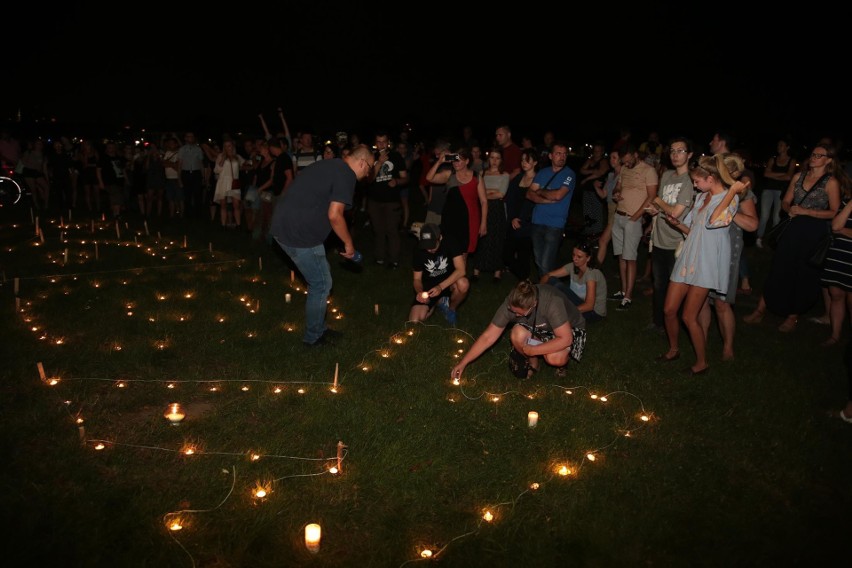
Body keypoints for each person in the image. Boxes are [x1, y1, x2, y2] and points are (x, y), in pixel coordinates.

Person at [270, 144, 374, 347]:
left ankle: (319, 328)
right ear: (362, 163)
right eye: (369, 168)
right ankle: (313, 337)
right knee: (321, 284)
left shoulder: (330, 165)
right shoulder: (346, 175)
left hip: (285, 226)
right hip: (298, 234)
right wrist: (348, 244)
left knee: (321, 279)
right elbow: (335, 215)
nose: (368, 174)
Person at [657, 154, 748, 375]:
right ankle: (673, 349)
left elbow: (714, 221)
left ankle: (701, 362)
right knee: (669, 309)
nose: (695, 185)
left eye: (698, 181)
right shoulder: (701, 198)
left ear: (711, 178)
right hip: (688, 257)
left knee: (689, 316)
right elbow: (693, 230)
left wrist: (733, 192)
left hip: (706, 262)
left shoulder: (730, 199)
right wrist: (677, 224)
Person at [744, 143, 842, 332]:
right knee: (779, 267)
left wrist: (808, 211)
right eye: (813, 154)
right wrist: (790, 210)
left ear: (828, 160)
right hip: (793, 228)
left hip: (813, 231)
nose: (813, 157)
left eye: (819, 155)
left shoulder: (831, 182)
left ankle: (792, 316)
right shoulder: (799, 176)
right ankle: (760, 309)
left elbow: (834, 212)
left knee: (802, 273)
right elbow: (786, 201)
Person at [451, 280, 586, 380]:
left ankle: (561, 365)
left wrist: (533, 350)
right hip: (539, 328)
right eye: (513, 311)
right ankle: (534, 364)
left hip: (568, 330)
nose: (515, 316)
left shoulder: (551, 302)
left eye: (520, 314)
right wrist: (463, 362)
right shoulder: (512, 303)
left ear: (533, 305)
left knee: (554, 358)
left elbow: (566, 339)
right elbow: (488, 336)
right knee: (517, 333)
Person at [644, 137, 694, 335]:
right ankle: (658, 323)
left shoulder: (690, 180)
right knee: (658, 284)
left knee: (676, 288)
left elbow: (675, 212)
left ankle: (674, 325)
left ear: (689, 155)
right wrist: (653, 209)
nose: (675, 154)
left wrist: (655, 199)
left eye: (680, 151)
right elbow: (662, 206)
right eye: (672, 151)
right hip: (659, 239)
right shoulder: (667, 176)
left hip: (678, 243)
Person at [608, 142, 659, 311]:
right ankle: (623, 291)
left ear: (635, 154)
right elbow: (619, 186)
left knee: (630, 258)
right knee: (621, 256)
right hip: (619, 216)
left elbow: (651, 197)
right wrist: (616, 192)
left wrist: (635, 217)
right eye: (624, 161)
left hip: (632, 219)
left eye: (628, 161)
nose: (626, 164)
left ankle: (628, 297)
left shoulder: (649, 171)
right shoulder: (623, 168)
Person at [526, 141, 577, 278]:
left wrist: (540, 191)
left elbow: (558, 195)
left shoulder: (569, 174)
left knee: (545, 262)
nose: (562, 157)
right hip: (537, 221)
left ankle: (546, 291)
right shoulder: (542, 173)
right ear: (550, 156)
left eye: (564, 154)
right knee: (538, 260)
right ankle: (549, 289)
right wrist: (547, 199)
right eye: (558, 153)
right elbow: (529, 194)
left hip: (555, 224)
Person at [408, 223, 469, 326]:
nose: (429, 249)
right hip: (429, 287)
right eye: (426, 246)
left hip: (450, 282)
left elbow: (461, 270)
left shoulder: (450, 242)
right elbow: (417, 279)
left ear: (439, 237)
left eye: (432, 245)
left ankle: (451, 309)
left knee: (463, 283)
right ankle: (437, 302)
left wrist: (440, 287)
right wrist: (419, 292)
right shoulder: (418, 250)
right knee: (415, 321)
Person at [540, 241, 607, 321]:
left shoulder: (591, 274)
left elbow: (589, 306)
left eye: (579, 257)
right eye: (573, 255)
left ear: (588, 258)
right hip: (578, 304)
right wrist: (538, 292)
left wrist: (565, 312)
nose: (575, 259)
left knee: (559, 287)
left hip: (593, 313)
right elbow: (548, 276)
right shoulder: (572, 266)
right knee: (552, 280)